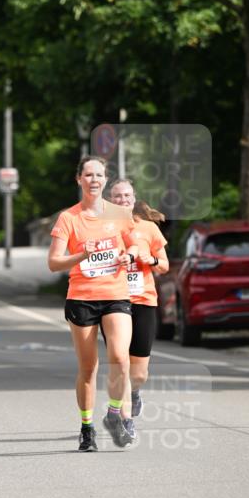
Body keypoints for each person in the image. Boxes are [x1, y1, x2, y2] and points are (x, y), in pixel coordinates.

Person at [48, 156, 139, 452]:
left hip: (115, 294)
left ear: (105, 179)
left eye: (99, 175)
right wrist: (81, 255)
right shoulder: (69, 218)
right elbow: (54, 262)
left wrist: (130, 255)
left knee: (120, 358)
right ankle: (87, 428)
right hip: (82, 298)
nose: (94, 180)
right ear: (79, 179)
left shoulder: (119, 214)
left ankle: (113, 413)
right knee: (88, 368)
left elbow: (134, 242)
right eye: (88, 175)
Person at [109, 179, 169, 420]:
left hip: (143, 300)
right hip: (113, 301)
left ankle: (134, 393)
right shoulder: (102, 227)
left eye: (127, 195)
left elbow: (164, 265)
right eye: (117, 196)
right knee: (120, 360)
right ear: (110, 201)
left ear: (133, 199)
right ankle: (122, 416)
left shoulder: (148, 228)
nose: (123, 200)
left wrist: (150, 260)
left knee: (139, 372)